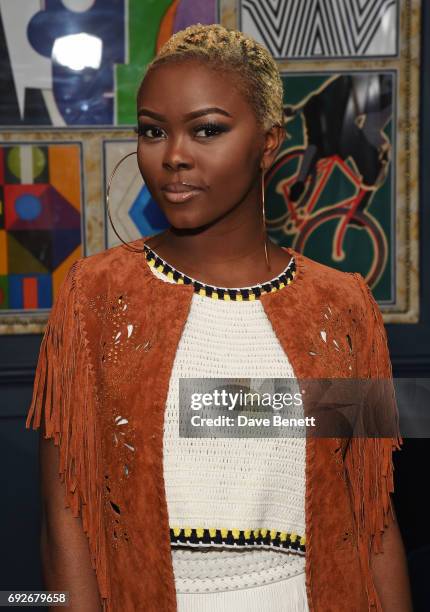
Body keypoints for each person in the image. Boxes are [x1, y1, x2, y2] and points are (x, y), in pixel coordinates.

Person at [27, 24, 412, 612]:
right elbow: (65, 524)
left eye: (207, 130)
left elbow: (372, 516)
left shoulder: (342, 306)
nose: (174, 155)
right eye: (153, 131)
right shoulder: (96, 295)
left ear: (269, 144)